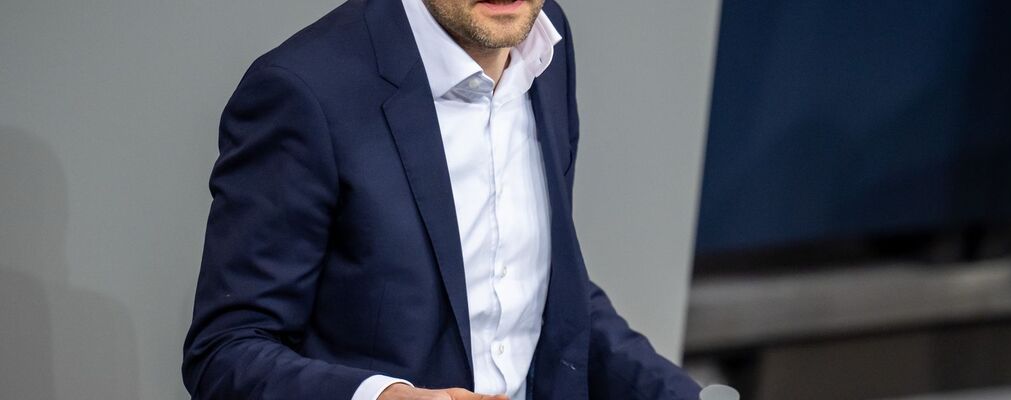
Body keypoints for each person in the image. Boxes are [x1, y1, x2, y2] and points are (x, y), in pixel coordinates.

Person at [181, 0, 701, 399]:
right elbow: (226, 352)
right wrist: (386, 397)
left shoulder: (543, 43)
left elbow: (542, 288)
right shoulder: (304, 91)